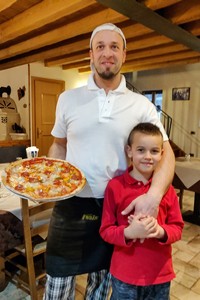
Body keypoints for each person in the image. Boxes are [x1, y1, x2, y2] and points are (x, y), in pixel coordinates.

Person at [43, 23, 175, 300]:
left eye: (114, 46)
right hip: (71, 204)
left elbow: (166, 152)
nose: (107, 53)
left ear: (124, 55)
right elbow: (59, 144)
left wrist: (153, 196)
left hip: (116, 207)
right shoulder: (68, 99)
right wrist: (50, 181)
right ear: (90, 54)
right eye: (100, 46)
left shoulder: (142, 105)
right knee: (57, 282)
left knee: (101, 287)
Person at [100, 122, 184, 300]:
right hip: (124, 275)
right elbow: (106, 231)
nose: (148, 156)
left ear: (162, 154)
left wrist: (160, 231)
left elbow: (177, 228)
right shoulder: (115, 187)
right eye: (141, 150)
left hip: (160, 275)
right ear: (129, 151)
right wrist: (129, 232)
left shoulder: (166, 189)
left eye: (154, 151)